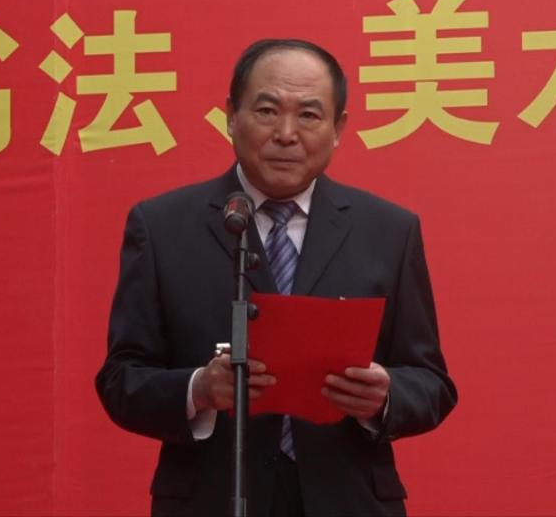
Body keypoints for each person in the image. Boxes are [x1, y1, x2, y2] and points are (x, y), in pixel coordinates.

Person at [97, 39, 457, 517]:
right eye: (267, 111)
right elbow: (121, 379)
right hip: (212, 499)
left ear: (338, 128)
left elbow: (432, 384)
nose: (286, 134)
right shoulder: (163, 227)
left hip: (349, 501)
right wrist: (199, 389)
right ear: (231, 116)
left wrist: (385, 395)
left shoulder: (389, 231)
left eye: (308, 115)